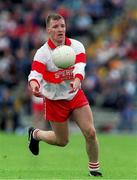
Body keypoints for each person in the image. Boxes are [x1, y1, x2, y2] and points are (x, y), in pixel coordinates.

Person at [28, 13, 102, 177]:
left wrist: (77, 80)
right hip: (54, 99)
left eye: (62, 26)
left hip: (74, 95)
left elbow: (80, 67)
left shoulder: (76, 46)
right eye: (55, 27)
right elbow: (34, 75)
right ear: (48, 30)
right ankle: (35, 134)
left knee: (90, 132)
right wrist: (34, 86)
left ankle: (94, 170)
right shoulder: (42, 53)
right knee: (62, 141)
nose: (60, 29)